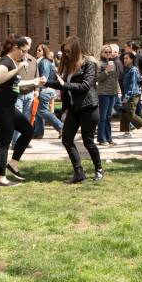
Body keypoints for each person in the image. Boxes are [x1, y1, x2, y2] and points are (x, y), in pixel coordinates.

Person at [46, 36, 102, 183]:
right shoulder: (70, 64)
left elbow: (85, 86)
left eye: (69, 51)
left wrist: (64, 84)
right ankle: (79, 172)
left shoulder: (89, 63)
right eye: (65, 52)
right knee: (67, 139)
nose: (67, 54)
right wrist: (46, 83)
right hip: (73, 108)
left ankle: (99, 169)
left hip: (88, 107)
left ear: (77, 49)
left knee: (88, 141)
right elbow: (62, 84)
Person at [0, 36, 45, 186]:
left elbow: (14, 83)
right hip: (2, 108)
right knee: (4, 143)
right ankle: (1, 178)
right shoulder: (5, 61)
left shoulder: (13, 62)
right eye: (24, 51)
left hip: (9, 107)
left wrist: (34, 82)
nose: (25, 54)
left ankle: (13, 163)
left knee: (28, 131)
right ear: (16, 48)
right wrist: (19, 68)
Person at [119, 51, 142, 138]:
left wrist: (127, 97)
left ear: (131, 59)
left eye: (127, 58)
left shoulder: (133, 70)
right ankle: (127, 133)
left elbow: (133, 85)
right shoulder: (127, 69)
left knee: (130, 113)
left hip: (133, 95)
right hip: (127, 94)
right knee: (125, 113)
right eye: (124, 58)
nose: (124, 60)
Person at [34, 43, 65, 138]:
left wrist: (38, 89)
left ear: (44, 51)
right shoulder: (43, 61)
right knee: (38, 112)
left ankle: (62, 127)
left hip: (45, 89)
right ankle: (38, 132)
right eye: (37, 50)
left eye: (40, 50)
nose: (37, 52)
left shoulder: (44, 62)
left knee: (42, 111)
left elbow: (44, 77)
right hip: (46, 89)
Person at [96, 45, 120, 147]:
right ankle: (101, 139)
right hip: (103, 93)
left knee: (108, 117)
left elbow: (115, 78)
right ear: (101, 53)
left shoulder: (112, 63)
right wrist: (106, 71)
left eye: (110, 52)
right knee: (103, 117)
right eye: (106, 52)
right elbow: (97, 78)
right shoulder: (99, 64)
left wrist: (118, 89)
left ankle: (109, 138)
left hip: (112, 93)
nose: (108, 54)